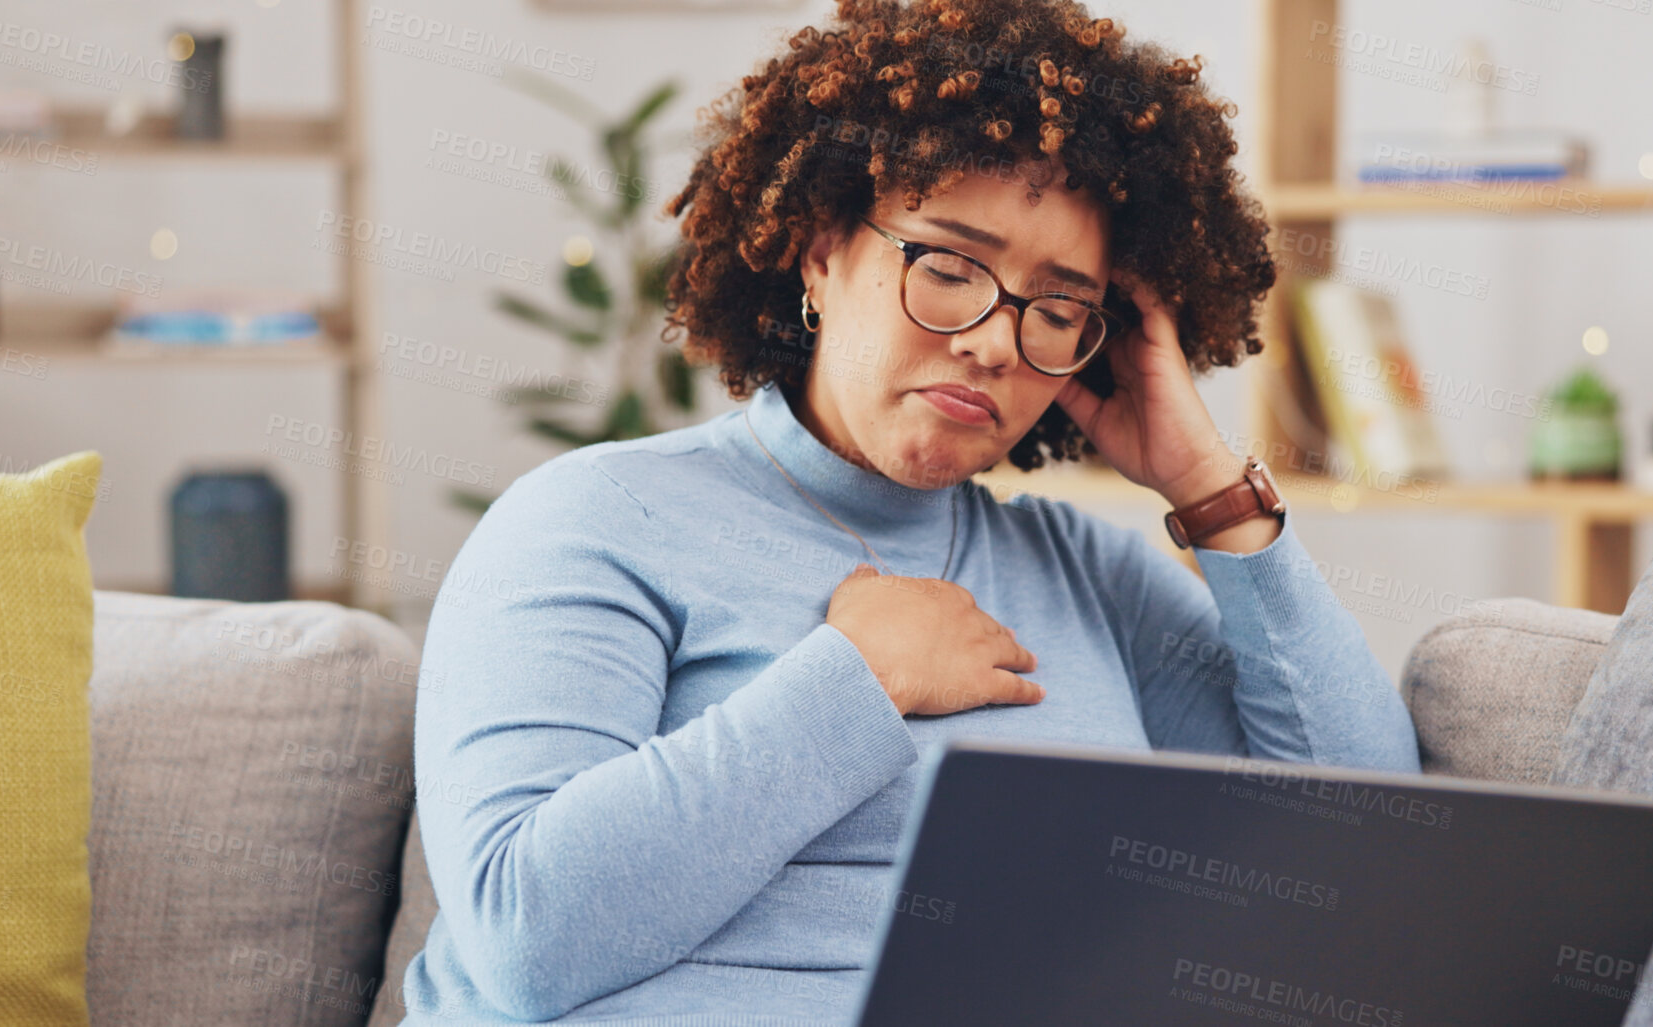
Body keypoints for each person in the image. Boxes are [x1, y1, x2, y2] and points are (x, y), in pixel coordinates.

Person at [399, 0, 1422, 1023]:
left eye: (1058, 309)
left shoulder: (1081, 573)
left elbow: (1364, 843)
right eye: (948, 266)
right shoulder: (597, 518)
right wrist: (858, 680)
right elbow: (523, 939)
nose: (994, 341)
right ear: (819, 248)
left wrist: (1208, 487)